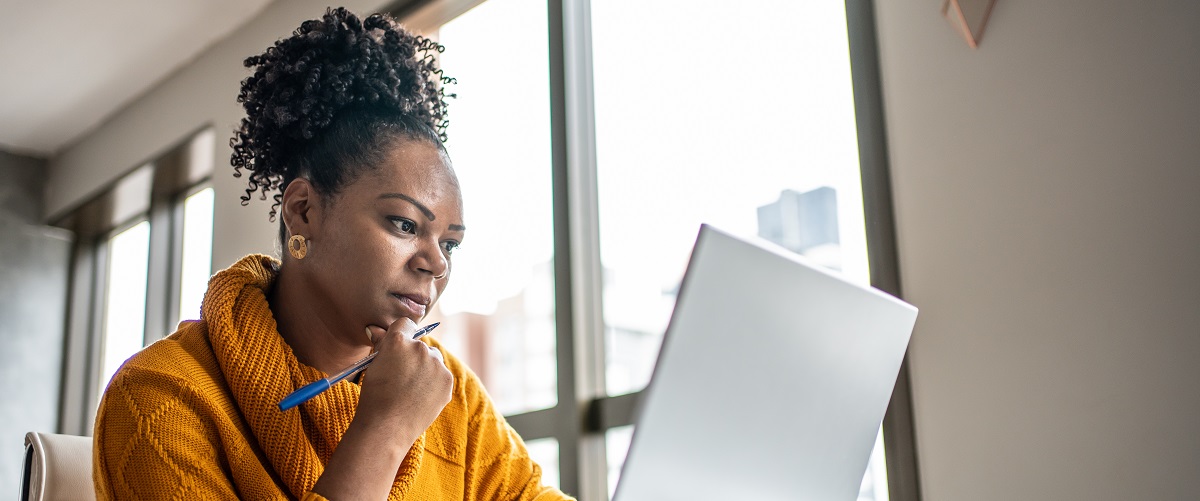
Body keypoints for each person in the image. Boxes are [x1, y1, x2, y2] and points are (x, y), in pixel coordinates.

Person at [92, 7, 573, 500]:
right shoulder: (160, 399)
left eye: (449, 243)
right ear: (303, 212)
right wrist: (384, 431)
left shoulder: (454, 398)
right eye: (405, 224)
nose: (438, 262)